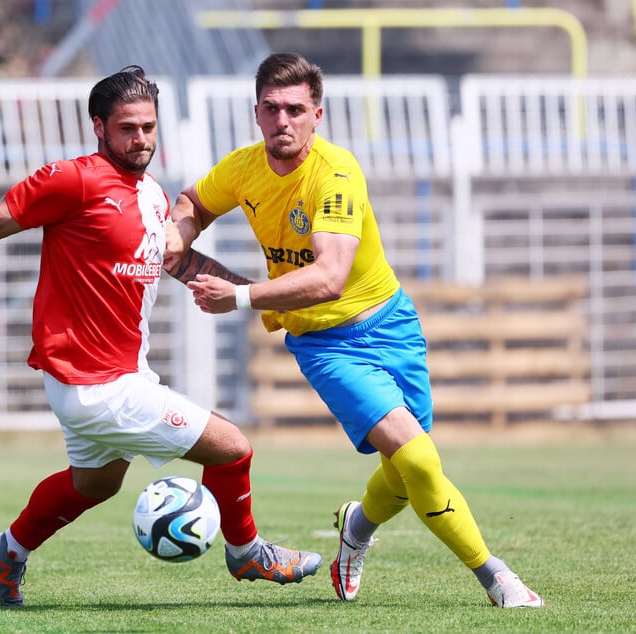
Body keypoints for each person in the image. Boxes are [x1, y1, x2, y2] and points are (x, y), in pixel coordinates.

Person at [0, 65, 321, 608]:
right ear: (99, 127)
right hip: (94, 383)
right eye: (128, 128)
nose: (141, 139)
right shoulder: (73, 180)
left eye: (149, 128)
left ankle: (8, 548)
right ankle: (247, 552)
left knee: (97, 484)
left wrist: (260, 297)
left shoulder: (153, 197)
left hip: (117, 376)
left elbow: (174, 260)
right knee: (232, 448)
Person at [164, 52, 544, 609]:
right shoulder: (243, 169)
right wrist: (178, 232)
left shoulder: (336, 173)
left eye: (295, 109)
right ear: (257, 113)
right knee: (418, 460)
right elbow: (192, 201)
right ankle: (497, 578)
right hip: (325, 345)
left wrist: (239, 297)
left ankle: (357, 527)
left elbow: (330, 278)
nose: (282, 121)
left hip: (391, 323)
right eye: (271, 109)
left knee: (405, 464)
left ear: (317, 114)